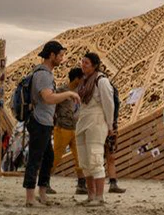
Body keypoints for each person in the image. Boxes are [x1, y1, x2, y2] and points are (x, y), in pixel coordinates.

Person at [23, 41, 79, 207]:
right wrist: (68, 94)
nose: (62, 58)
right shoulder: (43, 75)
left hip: (45, 121)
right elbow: (48, 98)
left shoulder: (45, 74)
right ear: (52, 55)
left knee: (48, 158)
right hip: (39, 121)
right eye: (60, 55)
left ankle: (42, 194)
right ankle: (30, 198)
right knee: (35, 158)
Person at [74, 52, 115, 206]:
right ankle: (90, 195)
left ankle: (99, 197)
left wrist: (110, 125)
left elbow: (109, 104)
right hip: (83, 120)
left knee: (95, 158)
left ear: (94, 65)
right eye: (82, 62)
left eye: (86, 63)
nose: (83, 65)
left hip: (96, 120)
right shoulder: (83, 82)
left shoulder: (102, 81)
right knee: (84, 161)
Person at [48, 67, 84, 196]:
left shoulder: (81, 91)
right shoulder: (62, 91)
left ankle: (81, 184)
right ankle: (45, 182)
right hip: (63, 128)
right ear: (76, 79)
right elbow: (53, 107)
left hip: (77, 128)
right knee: (56, 157)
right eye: (82, 78)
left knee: (79, 157)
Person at [105, 78, 126, 194]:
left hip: (109, 125)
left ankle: (113, 183)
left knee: (110, 156)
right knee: (109, 156)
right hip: (106, 125)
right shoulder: (111, 91)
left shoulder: (110, 91)